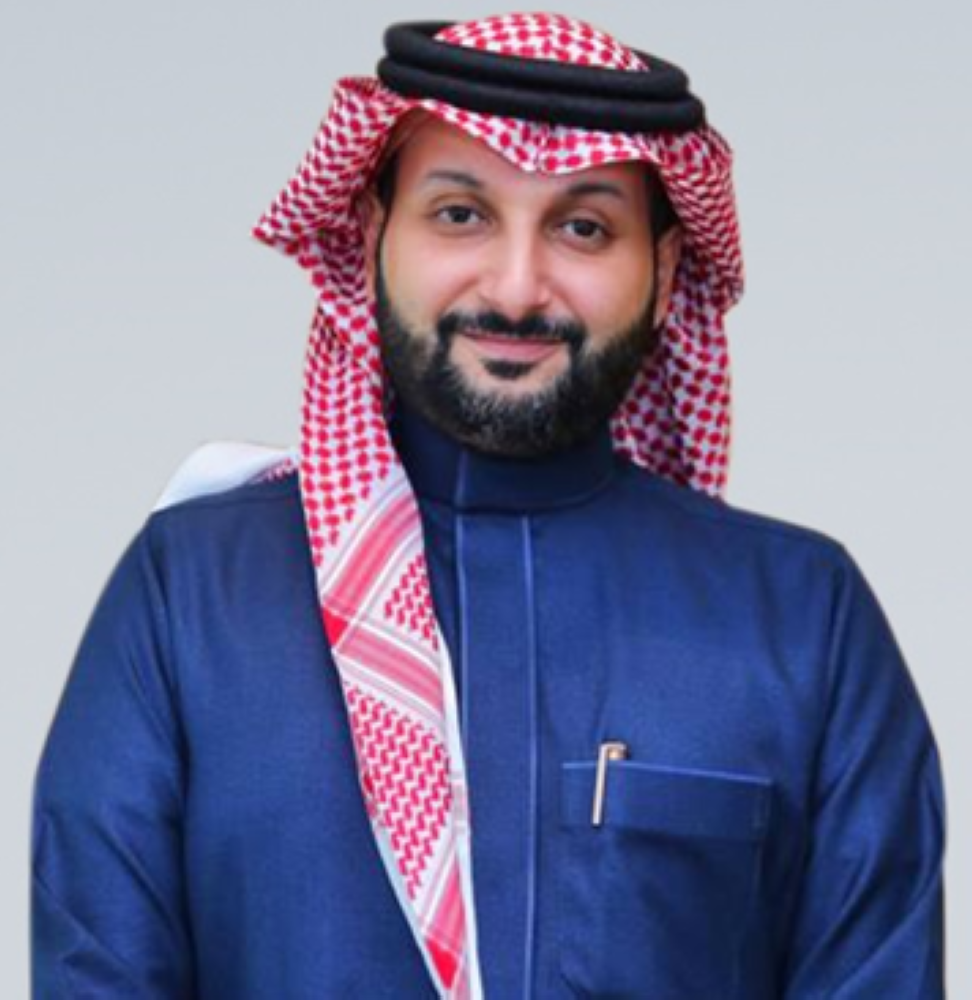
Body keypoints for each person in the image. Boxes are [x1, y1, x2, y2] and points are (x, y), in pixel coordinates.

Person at [31, 14, 945, 999]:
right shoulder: (191, 597)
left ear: (666, 271)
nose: (515, 289)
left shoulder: (802, 620)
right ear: (370, 236)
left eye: (583, 227)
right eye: (460, 214)